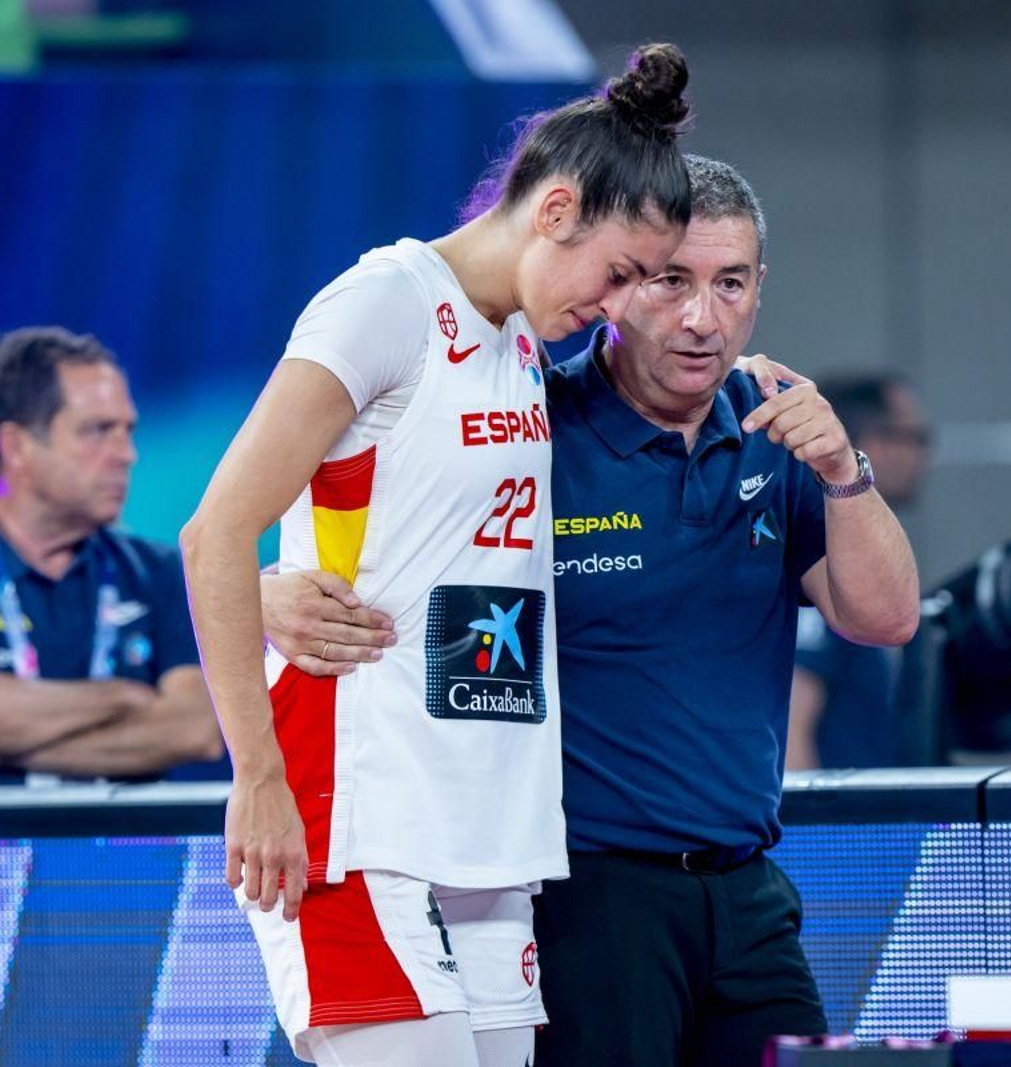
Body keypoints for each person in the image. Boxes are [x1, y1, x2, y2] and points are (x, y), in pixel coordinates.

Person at [261, 155, 920, 1065]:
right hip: (585, 896)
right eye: (670, 281)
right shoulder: (527, 418)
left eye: (730, 283)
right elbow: (367, 517)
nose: (701, 317)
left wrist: (846, 473)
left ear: (759, 288)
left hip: (749, 888)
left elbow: (885, 619)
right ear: (617, 283)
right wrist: (270, 587)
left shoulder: (780, 432)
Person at [178, 45, 693, 1067]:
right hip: (358, 811)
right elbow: (215, 533)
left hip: (486, 820)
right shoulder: (385, 302)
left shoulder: (516, 342)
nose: (624, 303)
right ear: (553, 212)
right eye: (620, 271)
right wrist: (258, 778)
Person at [0, 326, 221, 785]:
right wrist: (123, 697)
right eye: (98, 431)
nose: (127, 455)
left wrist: (4, 736)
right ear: (16, 446)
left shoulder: (159, 571)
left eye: (127, 430)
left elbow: (196, 730)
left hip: (117, 856)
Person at [787, 374, 932, 769]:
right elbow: (791, 731)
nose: (921, 454)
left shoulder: (875, 562)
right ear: (865, 443)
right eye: (911, 436)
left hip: (883, 824)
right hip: (838, 829)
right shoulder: (822, 560)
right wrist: (810, 832)